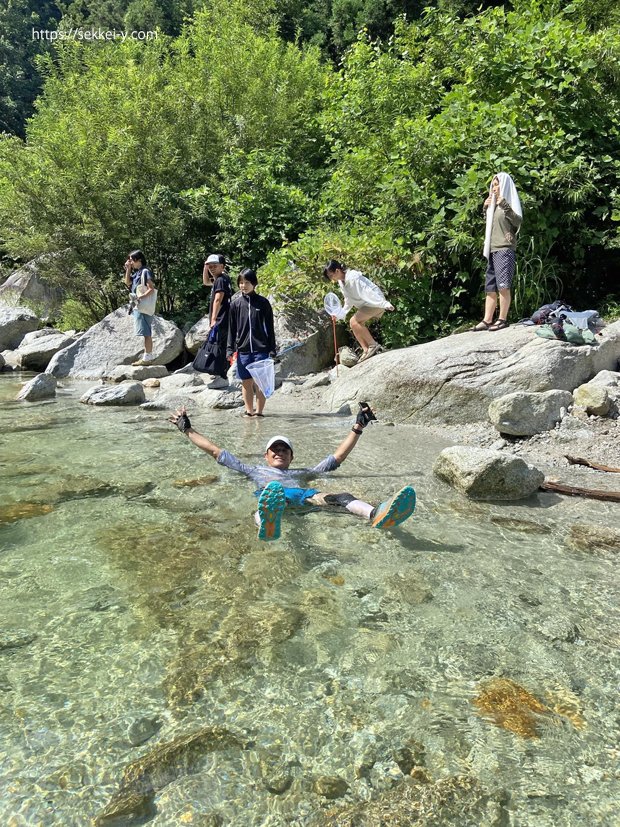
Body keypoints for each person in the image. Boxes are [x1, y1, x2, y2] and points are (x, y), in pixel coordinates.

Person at [168, 402, 416, 542]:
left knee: (340, 497)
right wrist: (187, 430)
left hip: (302, 496)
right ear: (265, 456)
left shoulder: (304, 472)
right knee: (269, 499)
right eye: (274, 449)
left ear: (291, 456)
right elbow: (215, 452)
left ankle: (377, 514)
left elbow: (338, 457)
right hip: (273, 498)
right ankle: (267, 525)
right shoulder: (252, 470)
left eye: (284, 450)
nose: (279, 452)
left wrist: (358, 427)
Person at [472, 172, 522, 332]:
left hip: (504, 249)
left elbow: (517, 222)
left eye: (497, 184)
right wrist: (486, 207)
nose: (494, 188)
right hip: (492, 249)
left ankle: (502, 319)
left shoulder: (508, 202)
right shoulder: (493, 203)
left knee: (503, 285)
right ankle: (487, 319)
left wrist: (504, 205)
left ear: (504, 185)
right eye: (492, 185)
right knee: (490, 287)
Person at [227, 268, 276, 417]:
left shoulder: (263, 303)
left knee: (260, 383)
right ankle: (249, 412)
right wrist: (230, 349)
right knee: (246, 382)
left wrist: (272, 348)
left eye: (247, 282)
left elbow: (270, 328)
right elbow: (231, 329)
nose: (243, 285)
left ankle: (259, 412)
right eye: (241, 283)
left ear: (254, 283)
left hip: (261, 350)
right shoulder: (235, 304)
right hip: (243, 350)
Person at [323, 260, 394, 362]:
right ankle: (366, 350)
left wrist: (384, 303)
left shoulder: (353, 277)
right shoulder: (341, 282)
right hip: (366, 304)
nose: (331, 278)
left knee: (354, 321)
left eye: (331, 275)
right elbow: (348, 300)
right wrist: (339, 314)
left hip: (374, 302)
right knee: (353, 324)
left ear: (337, 271)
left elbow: (368, 291)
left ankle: (373, 345)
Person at [196, 253, 233, 381]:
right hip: (223, 319)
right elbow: (205, 282)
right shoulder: (221, 278)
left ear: (222, 266)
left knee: (219, 346)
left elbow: (218, 299)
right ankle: (221, 373)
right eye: (210, 266)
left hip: (221, 319)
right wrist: (205, 268)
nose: (211, 268)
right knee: (221, 345)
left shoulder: (221, 280)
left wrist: (213, 320)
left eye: (214, 266)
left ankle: (222, 374)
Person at [124, 249, 157, 365]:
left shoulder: (145, 271)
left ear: (139, 260)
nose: (130, 262)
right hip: (139, 305)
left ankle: (147, 358)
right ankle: (146, 357)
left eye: (132, 260)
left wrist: (140, 298)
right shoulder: (137, 272)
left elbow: (151, 289)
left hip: (142, 304)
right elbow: (127, 282)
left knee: (146, 332)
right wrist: (128, 269)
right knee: (144, 332)